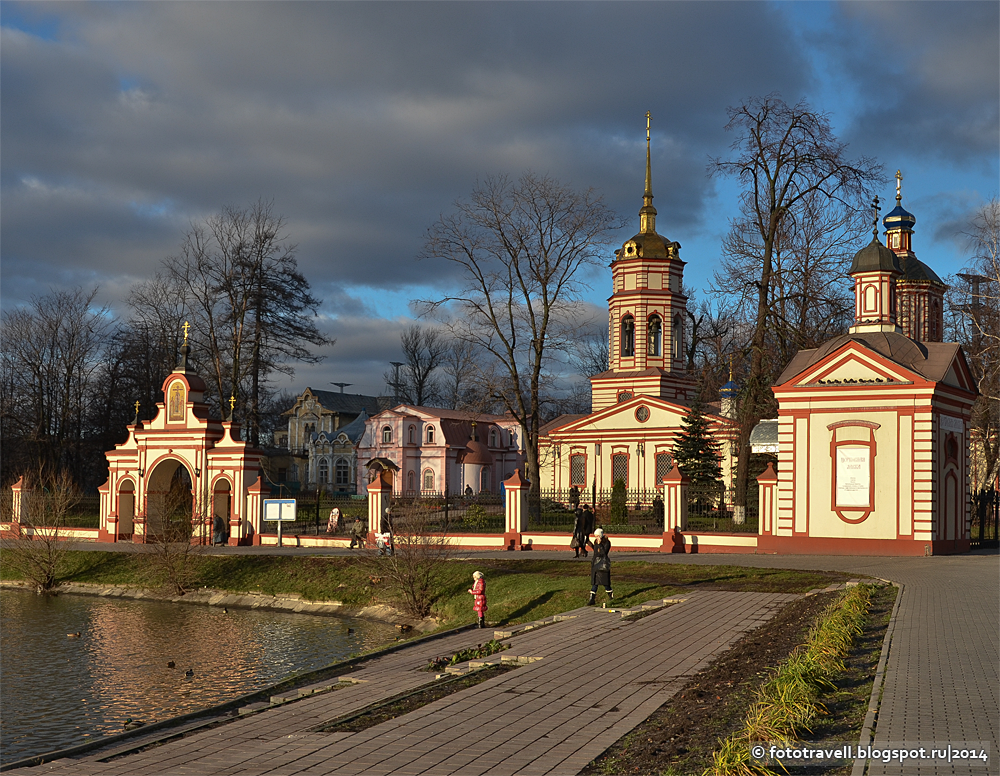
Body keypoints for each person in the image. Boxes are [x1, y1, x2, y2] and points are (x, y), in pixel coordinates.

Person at [585, 528, 612, 605]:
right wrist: (589, 543)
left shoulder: (607, 542)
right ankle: (592, 599)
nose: (596, 538)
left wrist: (600, 544)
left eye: (597, 536)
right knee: (594, 583)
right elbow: (596, 551)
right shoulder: (596, 542)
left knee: (606, 583)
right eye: (595, 536)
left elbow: (604, 552)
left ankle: (611, 596)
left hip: (603, 565)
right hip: (595, 565)